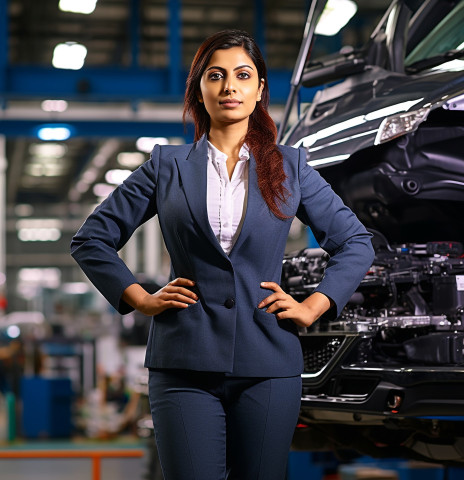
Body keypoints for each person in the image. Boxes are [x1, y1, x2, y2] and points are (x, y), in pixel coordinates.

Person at [71, 29, 375, 480]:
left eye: (242, 75)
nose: (229, 86)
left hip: (268, 363)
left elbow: (355, 241)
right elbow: (91, 238)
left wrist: (315, 305)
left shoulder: (292, 167)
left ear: (258, 91)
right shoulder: (166, 165)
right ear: (199, 89)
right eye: (215, 76)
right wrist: (140, 297)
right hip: (183, 364)